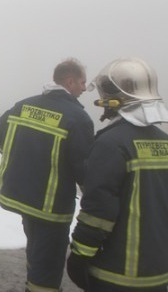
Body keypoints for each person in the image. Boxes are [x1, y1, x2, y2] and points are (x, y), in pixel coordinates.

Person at [0, 58, 95, 292]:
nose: (84, 88)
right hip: (51, 207)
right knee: (48, 262)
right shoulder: (77, 118)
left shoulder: (24, 105)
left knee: (36, 248)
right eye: (82, 82)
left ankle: (32, 283)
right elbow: (84, 169)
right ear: (70, 82)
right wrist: (96, 199)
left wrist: (21, 159)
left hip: (23, 198)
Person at [68, 57, 168, 292]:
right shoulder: (165, 142)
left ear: (114, 98)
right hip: (159, 274)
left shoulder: (111, 144)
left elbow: (98, 210)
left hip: (116, 274)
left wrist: (80, 254)